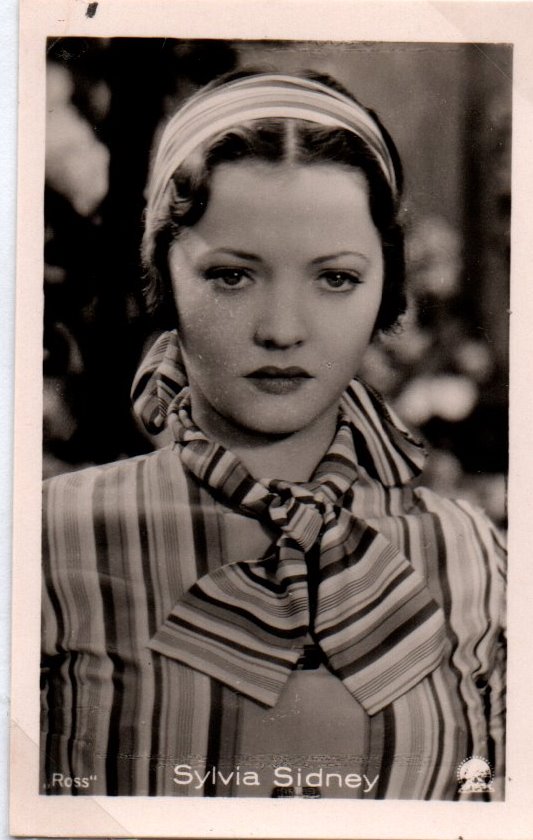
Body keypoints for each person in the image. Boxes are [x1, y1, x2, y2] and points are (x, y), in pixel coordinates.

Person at [40, 69, 506, 799]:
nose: (282, 330)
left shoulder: (472, 554)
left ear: (387, 285)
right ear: (163, 271)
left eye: (335, 278)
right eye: (232, 276)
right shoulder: (48, 541)